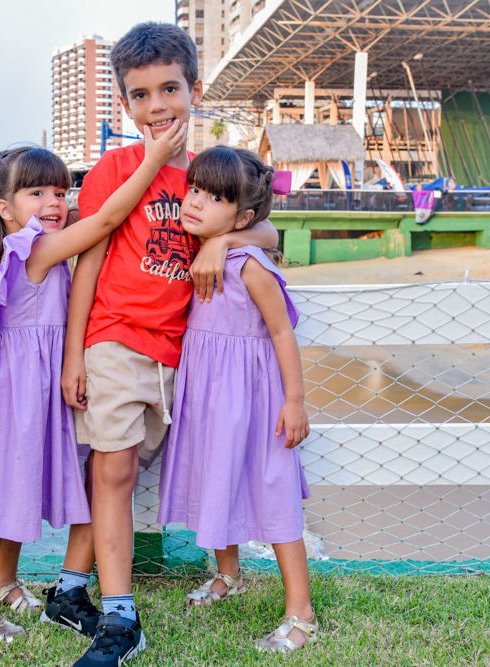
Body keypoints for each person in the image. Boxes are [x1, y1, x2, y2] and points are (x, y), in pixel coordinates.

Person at [55, 22, 280, 666]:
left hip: (173, 355)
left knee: (120, 474)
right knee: (114, 467)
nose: (157, 107)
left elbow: (264, 231)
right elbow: (88, 264)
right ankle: (120, 617)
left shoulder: (212, 176)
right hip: (113, 340)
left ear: (194, 89)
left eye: (170, 89)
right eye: (140, 95)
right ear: (125, 105)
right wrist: (75, 354)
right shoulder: (115, 168)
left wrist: (220, 239)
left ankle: (69, 589)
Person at [0, 125, 187, 645]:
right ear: (5, 208)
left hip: (28, 391)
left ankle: (6, 582)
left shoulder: (34, 240)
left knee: (19, 488)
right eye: (37, 193)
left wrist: (64, 216)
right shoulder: (34, 250)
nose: (54, 200)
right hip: (14, 397)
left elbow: (84, 223)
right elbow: (109, 219)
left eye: (59, 190)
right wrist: (154, 159)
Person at [156, 147, 315, 653]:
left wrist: (295, 400)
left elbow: (282, 332)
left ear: (243, 216)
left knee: (272, 491)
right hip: (205, 397)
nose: (197, 202)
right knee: (213, 478)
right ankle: (229, 574)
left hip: (253, 400)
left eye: (215, 197)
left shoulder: (250, 265)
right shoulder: (188, 243)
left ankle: (301, 612)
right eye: (195, 189)